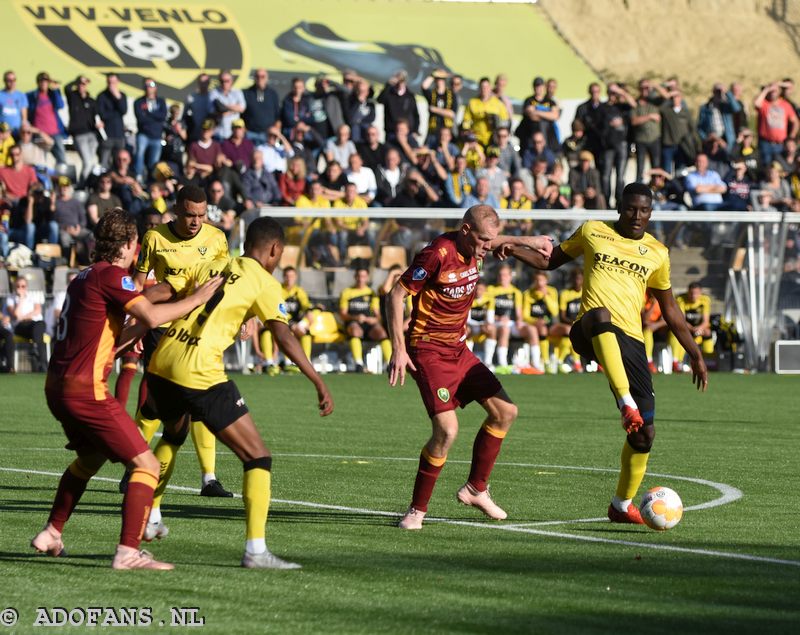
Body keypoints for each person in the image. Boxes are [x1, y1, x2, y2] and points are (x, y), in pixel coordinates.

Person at [500, 182, 708, 524]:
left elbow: (670, 309)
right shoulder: (593, 231)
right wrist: (513, 250)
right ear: (619, 208)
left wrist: (695, 354)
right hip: (588, 330)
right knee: (600, 316)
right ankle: (626, 402)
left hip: (630, 342)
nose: (636, 215)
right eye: (630, 209)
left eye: (643, 210)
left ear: (651, 213)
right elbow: (551, 260)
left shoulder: (658, 253)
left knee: (645, 436)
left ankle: (621, 505)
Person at [30, 208, 223, 569]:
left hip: (57, 387)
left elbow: (119, 332)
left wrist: (177, 292)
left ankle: (52, 532)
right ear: (131, 245)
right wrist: (197, 299)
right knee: (147, 465)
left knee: (90, 459)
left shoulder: (84, 277)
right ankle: (128, 552)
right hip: (86, 389)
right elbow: (150, 318)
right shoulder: (112, 277)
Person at [140, 217, 334, 568]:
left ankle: (150, 514)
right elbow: (284, 335)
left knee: (174, 431)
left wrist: (131, 306)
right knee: (257, 457)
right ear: (275, 249)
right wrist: (317, 379)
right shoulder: (264, 281)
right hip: (197, 368)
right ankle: (256, 551)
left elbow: (168, 289)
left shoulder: (214, 262)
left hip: (163, 356)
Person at [386, 205, 552, 529]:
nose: (487, 247)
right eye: (482, 240)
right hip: (429, 350)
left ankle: (476, 489)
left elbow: (495, 236)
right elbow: (396, 294)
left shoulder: (478, 245)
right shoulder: (436, 254)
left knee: (506, 412)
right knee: (447, 431)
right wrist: (398, 347)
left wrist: (528, 240)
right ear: (465, 231)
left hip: (459, 349)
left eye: (490, 241)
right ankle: (416, 511)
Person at [133, 185, 231, 498]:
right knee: (155, 403)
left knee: (203, 401)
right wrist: (134, 326)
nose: (195, 221)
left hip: (200, 330)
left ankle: (209, 479)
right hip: (161, 327)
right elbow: (137, 285)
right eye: (190, 214)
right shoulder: (155, 237)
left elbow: (227, 281)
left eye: (201, 215)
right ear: (176, 209)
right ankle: (134, 465)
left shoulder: (216, 239)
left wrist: (244, 318)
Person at [339, 267, 391, 372]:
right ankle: (358, 363)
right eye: (358, 276)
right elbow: (342, 314)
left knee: (381, 332)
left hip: (368, 324)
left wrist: (374, 320)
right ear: (355, 277)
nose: (360, 279)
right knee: (355, 330)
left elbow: (377, 316)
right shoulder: (347, 292)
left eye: (363, 276)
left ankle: (390, 363)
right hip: (353, 322)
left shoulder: (372, 293)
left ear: (367, 278)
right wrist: (355, 317)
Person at [4, 275, 47, 371]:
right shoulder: (10, 299)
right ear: (15, 287)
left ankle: (38, 354)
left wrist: (23, 317)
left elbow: (38, 310)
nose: (20, 288)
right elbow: (16, 315)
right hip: (20, 327)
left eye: (22, 286)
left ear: (26, 287)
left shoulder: (33, 296)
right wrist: (21, 299)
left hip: (35, 324)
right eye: (18, 286)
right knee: (39, 335)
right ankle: (42, 363)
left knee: (40, 325)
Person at [669, 282, 714, 373]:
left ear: (700, 293)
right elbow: (681, 319)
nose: (694, 296)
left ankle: (708, 359)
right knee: (677, 333)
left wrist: (699, 328)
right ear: (688, 292)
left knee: (708, 332)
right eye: (691, 293)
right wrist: (692, 329)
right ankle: (678, 362)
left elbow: (706, 321)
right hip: (686, 328)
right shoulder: (681, 299)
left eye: (696, 293)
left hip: (699, 328)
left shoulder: (705, 300)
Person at [64, 75, 101, 186]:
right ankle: (82, 184)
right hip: (79, 135)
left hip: (92, 134)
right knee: (88, 162)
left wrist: (99, 124)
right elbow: (67, 88)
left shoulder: (91, 101)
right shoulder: (73, 97)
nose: (81, 86)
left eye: (84, 84)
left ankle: (88, 184)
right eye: (80, 84)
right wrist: (77, 81)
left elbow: (97, 117)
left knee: (92, 162)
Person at [520, 270, 558, 373]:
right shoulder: (528, 294)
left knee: (566, 330)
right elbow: (525, 316)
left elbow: (555, 312)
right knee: (542, 329)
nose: (539, 283)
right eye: (537, 280)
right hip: (535, 324)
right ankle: (545, 361)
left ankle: (559, 361)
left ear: (546, 281)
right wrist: (535, 321)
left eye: (542, 280)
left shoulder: (552, 291)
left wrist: (546, 296)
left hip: (550, 323)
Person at [488, 264, 523, 370]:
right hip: (495, 322)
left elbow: (518, 313)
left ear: (510, 277)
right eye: (500, 275)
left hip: (511, 322)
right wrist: (497, 318)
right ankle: (502, 363)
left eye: (505, 275)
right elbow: (486, 310)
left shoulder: (516, 292)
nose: (502, 277)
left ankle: (537, 363)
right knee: (504, 329)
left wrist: (519, 321)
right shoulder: (491, 289)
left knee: (531, 330)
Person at [133, 78, 167, 179]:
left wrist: (148, 113)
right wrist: (154, 116)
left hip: (156, 136)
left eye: (151, 84)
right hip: (143, 134)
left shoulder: (161, 101)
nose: (148, 87)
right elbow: (141, 118)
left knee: (154, 161)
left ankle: (152, 179)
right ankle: (138, 176)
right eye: (146, 85)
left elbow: (163, 116)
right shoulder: (139, 101)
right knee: (139, 155)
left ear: (155, 87)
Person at [96, 73, 127, 168]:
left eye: (113, 82)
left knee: (119, 162)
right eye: (109, 82)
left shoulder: (121, 96)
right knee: (104, 162)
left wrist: (117, 97)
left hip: (119, 134)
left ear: (118, 82)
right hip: (106, 135)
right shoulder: (102, 96)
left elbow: (123, 110)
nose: (111, 85)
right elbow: (102, 114)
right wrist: (115, 114)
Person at [242, 68, 280, 146]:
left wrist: (275, 133)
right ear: (254, 78)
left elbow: (278, 117)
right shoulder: (246, 93)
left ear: (267, 78)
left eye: (262, 76)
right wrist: (244, 131)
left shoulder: (272, 94)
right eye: (257, 76)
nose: (260, 79)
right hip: (250, 134)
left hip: (268, 135)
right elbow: (240, 114)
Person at [466, 280, 497, 367]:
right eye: (477, 289)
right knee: (465, 330)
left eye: (481, 289)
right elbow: (467, 320)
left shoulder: (489, 301)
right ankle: (468, 361)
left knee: (492, 329)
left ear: (485, 290)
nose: (478, 291)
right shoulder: (468, 299)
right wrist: (480, 324)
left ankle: (488, 362)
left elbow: (490, 319)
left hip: (482, 326)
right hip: (471, 326)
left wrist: (486, 324)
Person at [0, 70, 28, 135]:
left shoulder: (21, 95)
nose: (12, 82)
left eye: (14, 80)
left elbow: (24, 118)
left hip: (17, 132)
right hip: (3, 132)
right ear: (4, 81)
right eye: (9, 80)